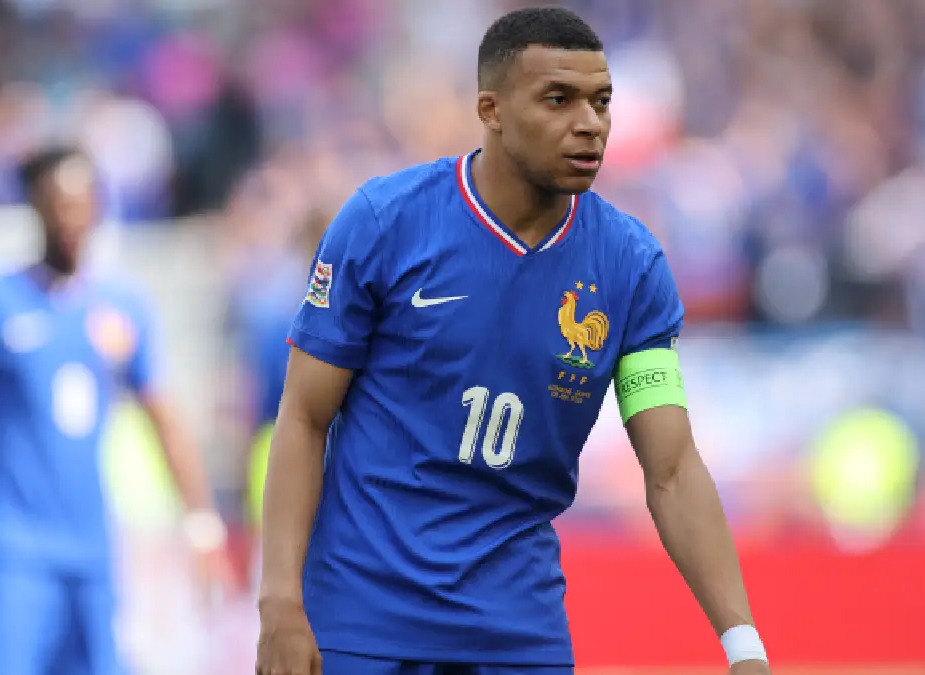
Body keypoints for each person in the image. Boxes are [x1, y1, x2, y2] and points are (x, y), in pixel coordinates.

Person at [255, 7, 770, 675]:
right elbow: (303, 415)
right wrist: (279, 602)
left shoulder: (631, 266)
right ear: (491, 110)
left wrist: (743, 644)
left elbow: (671, 468)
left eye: (601, 101)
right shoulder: (384, 222)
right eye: (558, 100)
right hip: (363, 621)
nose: (589, 122)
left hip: (518, 632)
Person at [0, 147, 231, 675]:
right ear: (36, 208)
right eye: (59, 204)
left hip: (92, 551)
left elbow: (165, 419)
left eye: (83, 203)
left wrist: (202, 527)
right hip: (14, 550)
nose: (72, 218)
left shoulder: (121, 308)